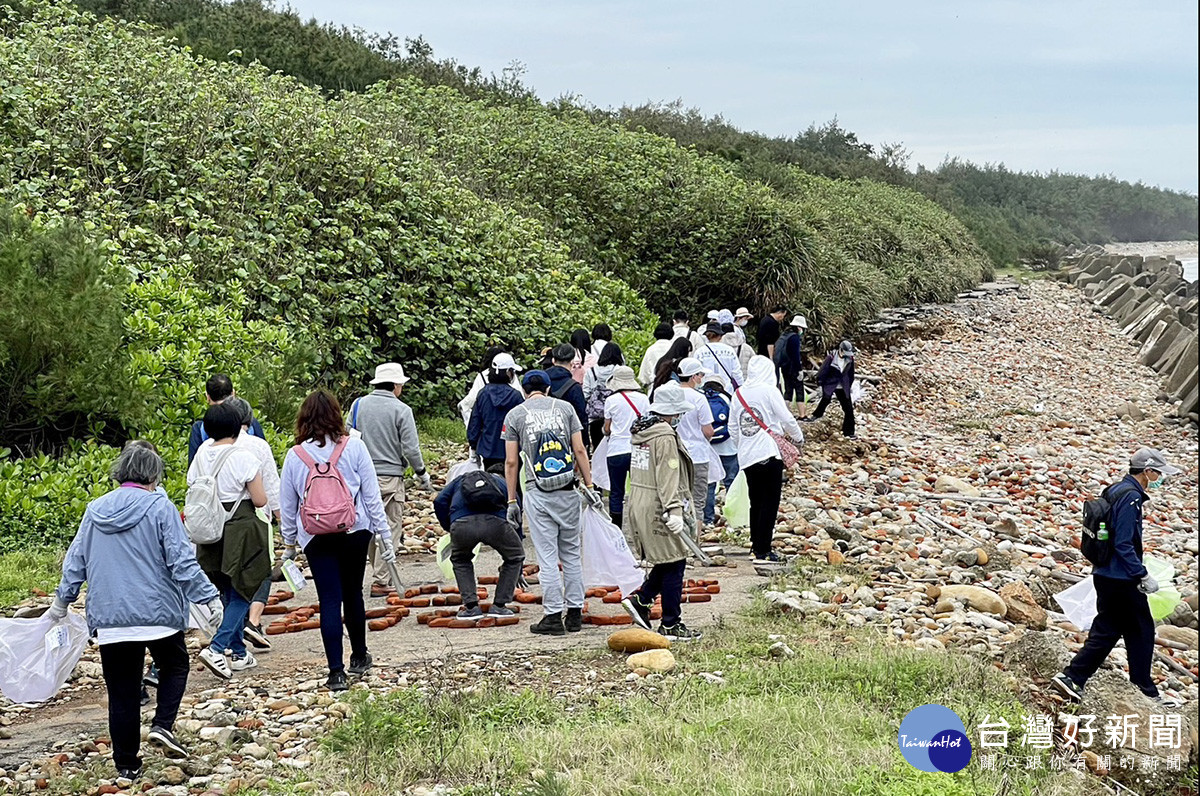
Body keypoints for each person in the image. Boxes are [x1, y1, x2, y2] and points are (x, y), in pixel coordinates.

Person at [48, 441, 222, 785]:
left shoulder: (95, 509)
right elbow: (181, 562)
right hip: (157, 614)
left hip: (111, 619)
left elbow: (76, 562)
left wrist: (61, 604)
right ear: (153, 475)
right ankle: (161, 725)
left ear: (121, 473)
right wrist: (209, 598)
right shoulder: (161, 508)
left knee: (122, 691)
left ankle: (126, 766)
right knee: (175, 664)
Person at [280, 389, 395, 691]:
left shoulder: (295, 456)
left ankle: (335, 673)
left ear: (304, 418)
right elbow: (371, 496)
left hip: (315, 536)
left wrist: (290, 544)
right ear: (336, 415)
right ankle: (359, 656)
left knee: (329, 600)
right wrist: (384, 535)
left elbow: (288, 506)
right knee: (353, 593)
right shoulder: (354, 447)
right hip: (354, 530)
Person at [1052, 448, 1184, 706]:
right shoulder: (1132, 497)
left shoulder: (1114, 490)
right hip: (1122, 578)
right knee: (1141, 630)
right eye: (1158, 473)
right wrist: (1141, 573)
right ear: (1147, 471)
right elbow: (1123, 543)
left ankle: (1073, 677)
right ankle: (1145, 692)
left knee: (1108, 630)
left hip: (1105, 573)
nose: (1160, 478)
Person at [502, 369, 601, 636]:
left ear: (524, 391)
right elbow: (580, 449)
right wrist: (590, 486)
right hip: (568, 491)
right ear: (548, 389)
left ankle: (553, 616)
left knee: (547, 556)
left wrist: (512, 499)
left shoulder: (516, 415)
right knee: (570, 553)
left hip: (538, 491)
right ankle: (575, 614)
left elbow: (511, 462)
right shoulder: (566, 409)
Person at [189, 402, 270, 678]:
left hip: (209, 528)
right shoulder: (244, 455)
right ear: (239, 426)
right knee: (245, 589)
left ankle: (238, 652)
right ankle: (218, 647)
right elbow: (259, 499)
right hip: (240, 527)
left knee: (225, 589)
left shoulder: (200, 453)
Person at [620, 382, 702, 641]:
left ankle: (642, 600)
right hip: (659, 504)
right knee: (676, 562)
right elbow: (668, 475)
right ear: (673, 411)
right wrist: (674, 510)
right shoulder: (665, 435)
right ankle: (670, 623)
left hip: (639, 499)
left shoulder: (642, 431)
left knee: (668, 560)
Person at [347, 362, 433, 596]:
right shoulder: (402, 410)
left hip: (360, 477)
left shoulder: (357, 406)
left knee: (367, 527)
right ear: (396, 385)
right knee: (390, 526)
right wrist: (422, 473)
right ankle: (381, 580)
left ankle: (374, 574)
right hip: (391, 477)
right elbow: (411, 449)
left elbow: (346, 438)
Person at [731, 356, 804, 563]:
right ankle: (764, 549)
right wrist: (798, 437)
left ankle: (756, 545)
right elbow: (786, 418)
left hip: (747, 456)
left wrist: (742, 446)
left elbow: (733, 427)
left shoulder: (738, 394)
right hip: (769, 452)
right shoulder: (770, 391)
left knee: (755, 501)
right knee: (770, 502)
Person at [433, 464, 524, 621]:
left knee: (461, 559)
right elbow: (516, 518)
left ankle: (471, 608)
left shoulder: (460, 480)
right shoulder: (504, 484)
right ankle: (500, 606)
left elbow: (439, 501)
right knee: (514, 556)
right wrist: (517, 561)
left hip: (462, 524)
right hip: (496, 524)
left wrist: (450, 526)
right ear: (503, 475)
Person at [226, 397, 281, 653]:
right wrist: (282, 518)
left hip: (223, 520)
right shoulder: (258, 446)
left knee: (231, 575)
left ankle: (231, 633)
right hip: (256, 515)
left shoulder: (210, 446)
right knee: (261, 569)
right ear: (249, 420)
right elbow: (270, 484)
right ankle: (254, 620)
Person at [602, 365, 650, 528]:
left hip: (616, 450)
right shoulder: (643, 399)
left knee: (616, 492)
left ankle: (616, 528)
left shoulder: (611, 400)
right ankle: (641, 526)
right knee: (641, 490)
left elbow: (607, 428)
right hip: (639, 448)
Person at [674, 358, 716, 530]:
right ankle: (695, 540)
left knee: (678, 497)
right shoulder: (699, 398)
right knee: (698, 499)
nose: (702, 378)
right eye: (701, 375)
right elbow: (708, 430)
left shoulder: (671, 394)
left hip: (675, 451)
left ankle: (679, 539)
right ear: (693, 377)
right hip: (697, 453)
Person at [187, 374, 265, 465]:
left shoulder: (200, 428)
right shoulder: (249, 423)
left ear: (207, 397)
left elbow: (193, 466)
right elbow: (263, 456)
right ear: (233, 393)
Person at [467, 353, 525, 471]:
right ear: (509, 372)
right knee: (513, 484)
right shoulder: (516, 396)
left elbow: (475, 423)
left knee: (492, 483)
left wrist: (473, 447)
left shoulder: (483, 394)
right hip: (512, 450)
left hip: (488, 449)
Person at [701, 373, 738, 525]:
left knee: (709, 483)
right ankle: (733, 516)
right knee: (731, 481)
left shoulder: (700, 398)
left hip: (708, 447)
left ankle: (707, 519)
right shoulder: (727, 398)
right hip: (728, 446)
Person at [458, 345, 524, 430]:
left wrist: (462, 405)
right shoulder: (512, 378)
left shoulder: (482, 378)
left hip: (488, 424)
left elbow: (472, 399)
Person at [806, 340, 857, 439]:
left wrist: (849, 385)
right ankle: (816, 415)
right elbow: (823, 371)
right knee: (825, 399)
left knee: (848, 409)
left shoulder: (850, 359)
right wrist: (820, 382)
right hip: (831, 383)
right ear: (840, 350)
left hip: (843, 385)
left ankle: (849, 432)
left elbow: (851, 374)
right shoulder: (832, 357)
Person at [583, 342, 624, 451]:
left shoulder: (591, 371)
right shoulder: (620, 371)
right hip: (616, 416)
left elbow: (586, 394)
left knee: (597, 450)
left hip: (595, 417)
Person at [546, 343, 589, 430]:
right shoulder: (574, 387)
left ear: (553, 360)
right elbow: (581, 418)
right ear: (572, 362)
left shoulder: (542, 381)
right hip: (566, 435)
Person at [696, 322, 744, 390]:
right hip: (726, 389)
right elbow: (736, 372)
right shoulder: (729, 350)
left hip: (706, 388)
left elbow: (697, 371)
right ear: (720, 335)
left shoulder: (700, 351)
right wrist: (741, 385)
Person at [776, 315, 808, 413]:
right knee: (799, 390)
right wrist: (799, 370)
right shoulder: (794, 338)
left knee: (788, 390)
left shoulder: (785, 335)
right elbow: (795, 356)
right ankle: (802, 415)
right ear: (799, 327)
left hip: (784, 367)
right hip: (793, 368)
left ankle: (785, 412)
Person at [731, 308, 755, 372]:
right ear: (739, 318)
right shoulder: (734, 329)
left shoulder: (739, 329)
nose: (746, 320)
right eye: (745, 318)